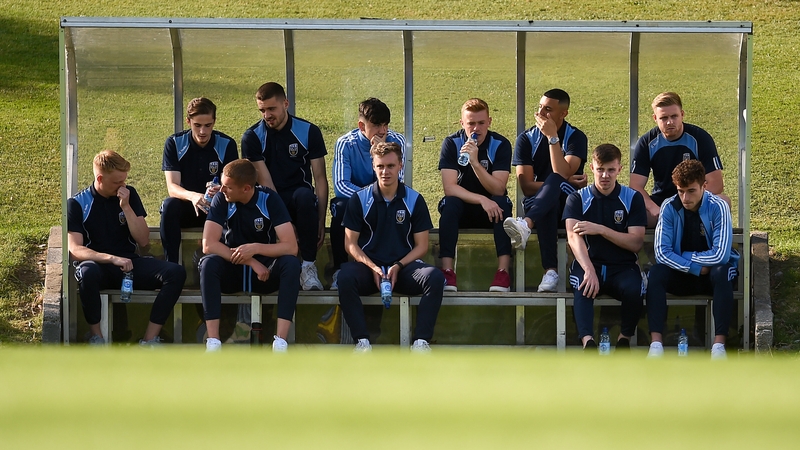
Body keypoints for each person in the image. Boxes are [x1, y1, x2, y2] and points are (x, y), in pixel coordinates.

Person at [68, 150, 186, 346]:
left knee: (176, 272)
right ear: (100, 178)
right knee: (87, 272)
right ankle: (97, 338)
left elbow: (143, 240)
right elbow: (75, 249)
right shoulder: (77, 204)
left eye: (124, 180)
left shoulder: (129, 195)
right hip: (99, 266)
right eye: (117, 182)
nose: (122, 185)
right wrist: (111, 258)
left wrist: (126, 207)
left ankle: (149, 340)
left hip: (130, 264)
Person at [338, 142, 445, 352]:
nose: (385, 171)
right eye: (380, 166)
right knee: (345, 277)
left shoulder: (414, 199)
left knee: (434, 276)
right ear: (373, 167)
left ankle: (421, 342)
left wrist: (398, 265)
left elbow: (422, 245)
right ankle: (362, 342)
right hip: (370, 270)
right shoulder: (359, 199)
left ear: (400, 166)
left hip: (403, 269)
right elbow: (350, 244)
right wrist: (373, 267)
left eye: (390, 166)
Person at [198, 159, 301, 352]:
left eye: (227, 187)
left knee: (291, 264)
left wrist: (255, 248)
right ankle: (213, 342)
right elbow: (208, 244)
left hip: (265, 274)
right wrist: (250, 260)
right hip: (233, 269)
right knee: (208, 264)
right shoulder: (221, 198)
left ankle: (280, 342)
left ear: (246, 188)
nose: (222, 190)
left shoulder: (269, 199)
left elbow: (291, 246)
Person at [645, 160, 739, 359]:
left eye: (691, 191)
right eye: (680, 191)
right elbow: (661, 253)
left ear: (704, 186)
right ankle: (656, 344)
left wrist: (687, 257)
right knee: (656, 273)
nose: (685, 197)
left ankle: (719, 346)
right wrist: (694, 266)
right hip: (686, 273)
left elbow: (721, 254)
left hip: (712, 274)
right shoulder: (669, 207)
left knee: (722, 271)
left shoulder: (719, 207)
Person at [241, 82, 328, 291]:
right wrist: (286, 226)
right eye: (262, 110)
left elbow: (320, 178)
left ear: (285, 104)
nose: (267, 115)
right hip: (270, 201)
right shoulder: (252, 137)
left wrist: (321, 220)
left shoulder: (308, 131)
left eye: (272, 109)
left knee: (305, 197)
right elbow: (266, 184)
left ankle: (308, 267)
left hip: (301, 199)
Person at [563, 144, 647, 351]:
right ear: (592, 168)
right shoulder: (577, 198)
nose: (605, 175)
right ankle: (588, 343)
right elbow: (573, 238)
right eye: (600, 169)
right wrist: (589, 270)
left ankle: (623, 339)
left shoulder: (632, 198)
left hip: (622, 266)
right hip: (590, 263)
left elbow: (636, 242)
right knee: (584, 285)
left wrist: (601, 229)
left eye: (610, 170)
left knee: (635, 288)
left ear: (619, 169)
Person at [503, 88, 588, 292]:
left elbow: (561, 171)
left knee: (556, 182)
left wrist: (552, 138)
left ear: (563, 113)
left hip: (567, 206)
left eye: (548, 109)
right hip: (538, 203)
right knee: (552, 190)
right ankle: (550, 271)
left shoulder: (576, 137)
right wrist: (560, 182)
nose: (541, 114)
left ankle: (527, 226)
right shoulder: (526, 138)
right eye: (540, 107)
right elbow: (526, 185)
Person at [438, 98, 514, 292]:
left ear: (489, 121)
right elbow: (450, 187)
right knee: (450, 203)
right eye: (471, 123)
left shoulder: (500, 144)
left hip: (491, 212)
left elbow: (498, 188)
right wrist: (481, 199)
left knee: (501, 203)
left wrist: (475, 162)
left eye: (481, 123)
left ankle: (503, 272)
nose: (476, 129)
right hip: (464, 208)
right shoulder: (452, 143)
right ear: (462, 123)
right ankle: (447, 270)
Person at [330, 97, 407, 289]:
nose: (382, 131)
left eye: (385, 125)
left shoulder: (397, 141)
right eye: (376, 125)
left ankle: (393, 264)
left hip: (386, 199)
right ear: (361, 126)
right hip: (354, 201)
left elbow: (397, 182)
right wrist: (368, 198)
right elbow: (341, 185)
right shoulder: (345, 143)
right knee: (339, 207)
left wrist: (377, 153)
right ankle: (340, 268)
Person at [630, 92, 727, 228]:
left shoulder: (700, 138)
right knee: (635, 211)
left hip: (694, 200)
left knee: (724, 201)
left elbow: (716, 183)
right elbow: (635, 186)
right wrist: (653, 208)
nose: (670, 122)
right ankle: (647, 248)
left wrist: (691, 203)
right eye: (664, 118)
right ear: (655, 118)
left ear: (682, 114)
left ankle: (715, 245)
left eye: (674, 116)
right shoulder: (647, 142)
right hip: (662, 203)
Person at [160, 97, 239, 264]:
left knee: (235, 209)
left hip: (216, 208)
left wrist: (221, 189)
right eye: (197, 125)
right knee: (169, 206)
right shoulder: (174, 143)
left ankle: (228, 266)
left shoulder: (227, 144)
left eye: (208, 125)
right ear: (188, 122)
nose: (203, 131)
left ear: (214, 122)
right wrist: (194, 197)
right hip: (188, 207)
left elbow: (235, 185)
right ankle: (171, 266)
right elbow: (172, 187)